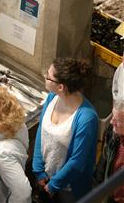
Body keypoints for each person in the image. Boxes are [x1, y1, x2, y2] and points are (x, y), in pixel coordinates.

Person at [32, 58, 99, 202]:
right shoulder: (52, 97)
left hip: (69, 188)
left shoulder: (86, 118)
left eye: (48, 76)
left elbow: (78, 161)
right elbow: (41, 131)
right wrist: (38, 169)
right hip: (46, 178)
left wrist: (54, 185)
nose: (45, 77)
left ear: (61, 87)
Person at [94, 100, 124, 203]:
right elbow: (103, 161)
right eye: (112, 117)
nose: (111, 122)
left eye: (117, 120)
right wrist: (97, 185)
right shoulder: (112, 131)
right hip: (109, 195)